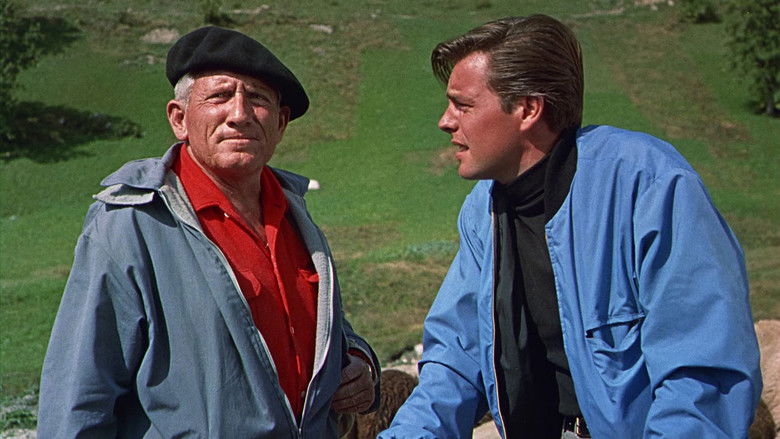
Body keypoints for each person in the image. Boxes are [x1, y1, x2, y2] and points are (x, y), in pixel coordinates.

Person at [380, 14, 762, 439]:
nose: (445, 121)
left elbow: (702, 379)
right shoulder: (482, 211)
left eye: (463, 105)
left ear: (528, 109)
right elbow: (455, 362)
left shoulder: (649, 186)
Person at [38, 26, 379, 437]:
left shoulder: (295, 216)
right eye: (219, 96)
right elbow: (78, 398)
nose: (240, 114)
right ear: (179, 119)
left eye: (258, 98)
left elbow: (324, 333)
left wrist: (358, 359)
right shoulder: (131, 225)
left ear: (281, 122)